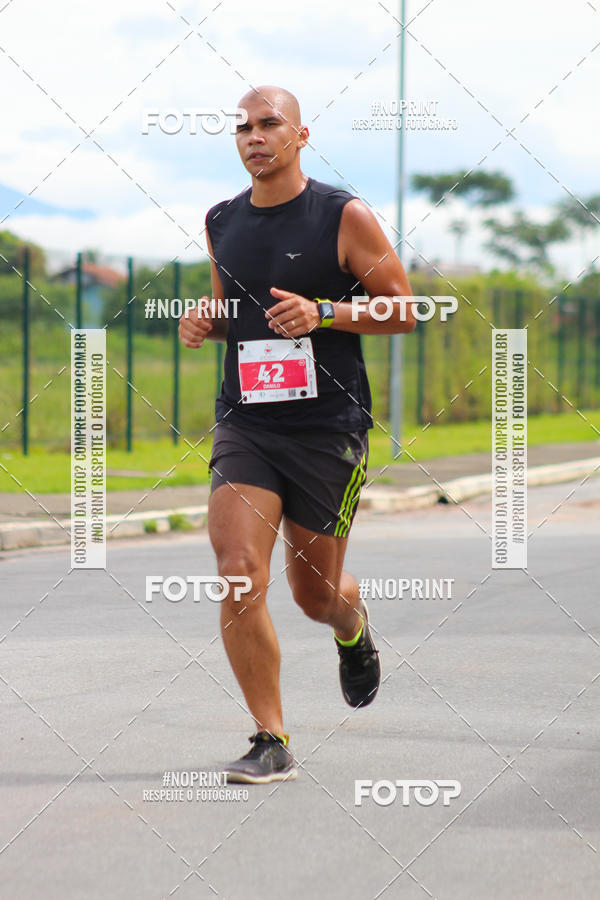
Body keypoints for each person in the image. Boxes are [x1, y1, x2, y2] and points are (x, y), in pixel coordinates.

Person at [179, 85, 415, 784]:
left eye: (268, 123)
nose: (254, 136)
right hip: (247, 422)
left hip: (328, 429)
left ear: (300, 135)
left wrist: (326, 313)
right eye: (243, 127)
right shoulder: (222, 219)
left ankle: (352, 627)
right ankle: (269, 737)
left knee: (315, 594)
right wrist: (205, 322)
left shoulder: (343, 216)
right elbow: (238, 315)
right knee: (237, 569)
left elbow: (403, 309)